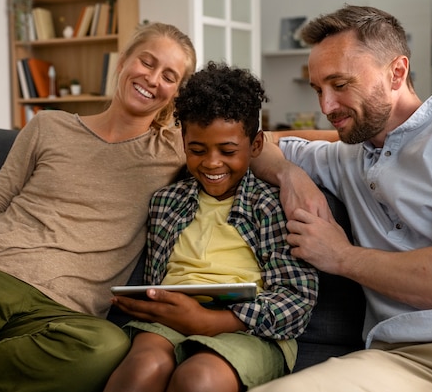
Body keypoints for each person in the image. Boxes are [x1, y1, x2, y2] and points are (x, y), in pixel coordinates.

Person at [0, 22, 198, 392]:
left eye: (170, 76)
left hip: (65, 313)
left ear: (177, 93)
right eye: (147, 62)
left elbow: (251, 142)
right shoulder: (49, 125)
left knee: (105, 346)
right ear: (123, 61)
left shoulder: (176, 148)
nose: (153, 78)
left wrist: (285, 178)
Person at [250, 5, 432, 392]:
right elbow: (254, 146)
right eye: (318, 89)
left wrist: (340, 256)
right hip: (403, 360)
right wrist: (290, 174)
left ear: (397, 73)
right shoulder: (345, 155)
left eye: (340, 84)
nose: (326, 107)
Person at [103, 62, 319, 392]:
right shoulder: (166, 202)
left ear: (256, 146)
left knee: (198, 378)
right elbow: (155, 278)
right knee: (144, 368)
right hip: (170, 319)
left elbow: (297, 299)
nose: (212, 163)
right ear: (184, 143)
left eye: (228, 151)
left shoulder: (269, 205)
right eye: (197, 149)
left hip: (248, 328)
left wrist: (213, 321)